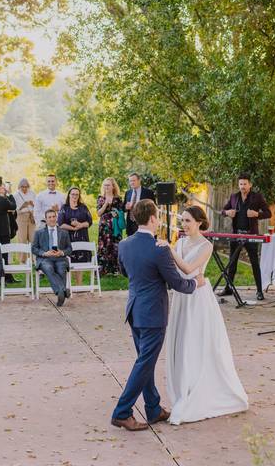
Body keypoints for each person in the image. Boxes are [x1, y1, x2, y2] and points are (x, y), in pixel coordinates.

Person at [110, 199, 203, 431]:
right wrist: (196, 283)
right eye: (157, 216)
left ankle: (153, 409)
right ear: (152, 218)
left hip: (134, 310)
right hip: (152, 314)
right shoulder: (158, 249)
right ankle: (122, 412)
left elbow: (124, 271)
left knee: (145, 362)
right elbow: (177, 283)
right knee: (144, 364)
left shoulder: (124, 244)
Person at [164, 206, 248, 424]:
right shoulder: (180, 242)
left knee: (196, 342)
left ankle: (199, 387)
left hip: (198, 299)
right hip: (182, 296)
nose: (184, 224)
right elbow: (174, 270)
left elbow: (188, 266)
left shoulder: (206, 246)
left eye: (188, 220)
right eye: (182, 220)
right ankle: (184, 385)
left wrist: (169, 250)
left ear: (199, 222)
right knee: (181, 341)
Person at [220, 174, 271, 301]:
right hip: (236, 234)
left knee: (254, 263)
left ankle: (259, 291)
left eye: (245, 184)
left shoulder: (257, 197)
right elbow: (222, 211)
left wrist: (256, 214)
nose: (242, 186)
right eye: (241, 184)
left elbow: (268, 213)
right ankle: (228, 288)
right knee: (232, 262)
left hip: (250, 234)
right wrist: (227, 212)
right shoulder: (234, 197)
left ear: (250, 184)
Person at [31, 209, 72, 307]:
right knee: (48, 268)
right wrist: (45, 253)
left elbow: (69, 249)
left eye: (54, 216)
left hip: (60, 258)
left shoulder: (64, 232)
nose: (52, 219)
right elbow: (34, 248)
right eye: (49, 217)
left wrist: (61, 252)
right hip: (45, 259)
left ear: (56, 217)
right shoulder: (39, 232)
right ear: (46, 219)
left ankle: (60, 294)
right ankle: (62, 290)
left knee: (62, 269)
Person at [96, 178, 125, 275]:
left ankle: (115, 269)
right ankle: (103, 269)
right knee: (104, 245)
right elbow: (99, 213)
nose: (106, 187)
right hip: (104, 226)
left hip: (115, 226)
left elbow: (121, 212)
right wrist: (105, 204)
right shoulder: (100, 198)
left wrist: (117, 214)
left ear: (113, 186)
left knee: (115, 245)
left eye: (108, 185)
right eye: (105, 185)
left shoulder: (118, 198)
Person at [58, 187, 92, 258]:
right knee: (69, 260)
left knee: (82, 259)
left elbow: (89, 221)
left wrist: (80, 225)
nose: (75, 196)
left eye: (77, 194)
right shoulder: (64, 208)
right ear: (69, 195)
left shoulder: (83, 207)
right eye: (73, 194)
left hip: (82, 236)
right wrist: (73, 228)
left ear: (79, 196)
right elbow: (60, 224)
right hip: (68, 237)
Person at [12, 178, 37, 244]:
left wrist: (32, 204)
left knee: (33, 239)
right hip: (21, 217)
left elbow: (37, 206)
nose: (24, 188)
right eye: (22, 187)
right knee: (22, 239)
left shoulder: (32, 193)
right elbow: (14, 209)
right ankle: (22, 254)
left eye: (26, 187)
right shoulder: (16, 195)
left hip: (31, 216)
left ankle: (33, 253)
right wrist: (23, 205)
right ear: (19, 186)